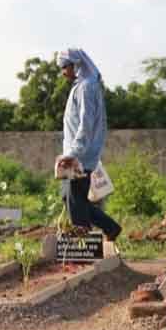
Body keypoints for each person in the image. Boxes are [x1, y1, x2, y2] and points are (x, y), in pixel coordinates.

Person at [55, 48, 122, 241]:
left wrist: (73, 153)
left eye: (64, 67)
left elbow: (86, 123)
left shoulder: (86, 87)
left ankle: (82, 245)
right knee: (71, 198)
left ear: (76, 64)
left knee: (74, 200)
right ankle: (110, 228)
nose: (63, 72)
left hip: (79, 157)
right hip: (78, 154)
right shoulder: (83, 85)